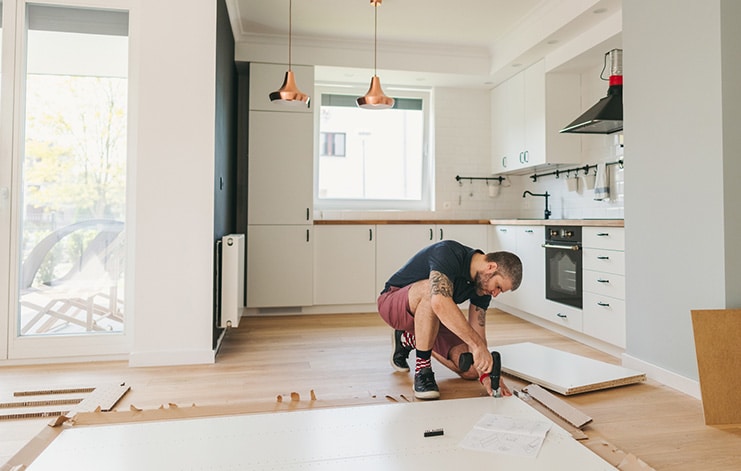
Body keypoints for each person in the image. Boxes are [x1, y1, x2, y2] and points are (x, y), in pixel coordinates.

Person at [377, 239, 522, 400]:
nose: (495, 293)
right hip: (394, 303)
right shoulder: (448, 252)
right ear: (491, 267)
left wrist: (486, 374)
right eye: (498, 286)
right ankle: (423, 371)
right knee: (431, 290)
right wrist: (477, 346)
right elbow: (439, 302)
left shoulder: (482, 288)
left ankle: (407, 339)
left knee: (470, 368)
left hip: (431, 318)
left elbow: (478, 333)